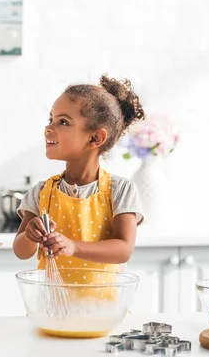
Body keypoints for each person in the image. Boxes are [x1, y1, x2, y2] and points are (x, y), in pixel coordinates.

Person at [13, 74, 145, 292]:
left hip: (103, 311)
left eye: (63, 122)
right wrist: (29, 234)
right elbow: (21, 251)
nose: (49, 128)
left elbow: (123, 249)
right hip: (52, 310)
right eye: (51, 119)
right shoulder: (41, 192)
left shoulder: (120, 190)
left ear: (95, 138)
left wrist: (73, 247)